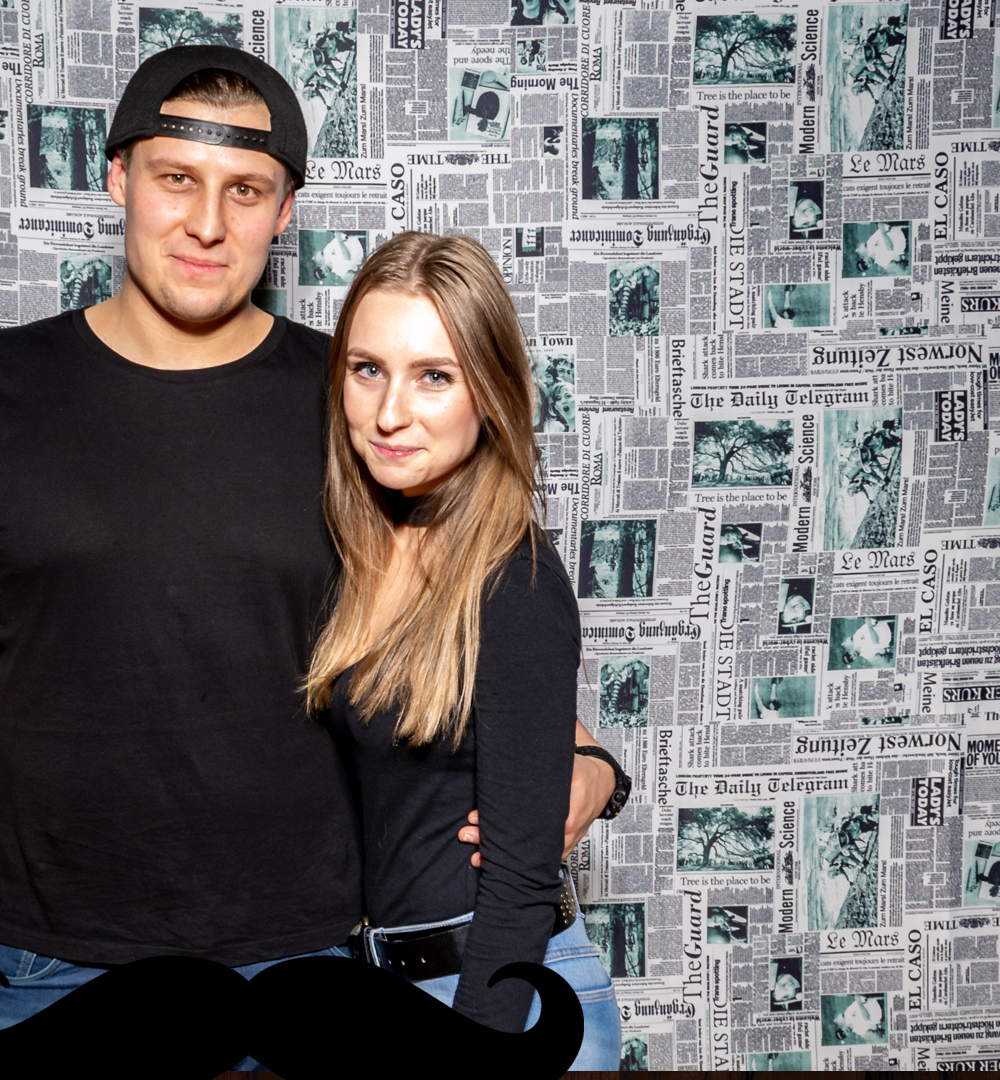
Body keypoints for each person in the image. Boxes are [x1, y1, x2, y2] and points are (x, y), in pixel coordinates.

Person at [0, 46, 619, 1071]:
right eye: (177, 178)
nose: (207, 223)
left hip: (315, 964)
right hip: (55, 963)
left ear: (284, 211)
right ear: (118, 177)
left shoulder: (357, 402)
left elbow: (462, 619)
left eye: (246, 190)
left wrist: (592, 763)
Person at [304, 231, 623, 1058]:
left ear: (491, 391)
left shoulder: (514, 581)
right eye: (367, 369)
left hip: (497, 993)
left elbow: (517, 884)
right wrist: (599, 764)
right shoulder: (356, 550)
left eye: (434, 377)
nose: (390, 413)